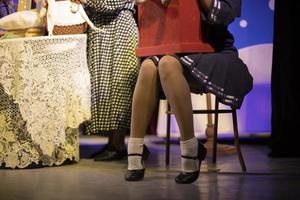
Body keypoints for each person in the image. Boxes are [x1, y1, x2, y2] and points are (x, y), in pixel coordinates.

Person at [125, 0, 253, 183]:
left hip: (211, 51)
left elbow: (226, 15)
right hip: (167, 49)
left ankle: (190, 149)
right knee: (147, 66)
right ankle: (136, 149)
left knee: (167, 64)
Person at [79, 0, 139, 161]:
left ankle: (118, 144)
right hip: (100, 28)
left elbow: (109, 3)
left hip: (119, 27)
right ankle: (113, 143)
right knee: (103, 89)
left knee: (120, 87)